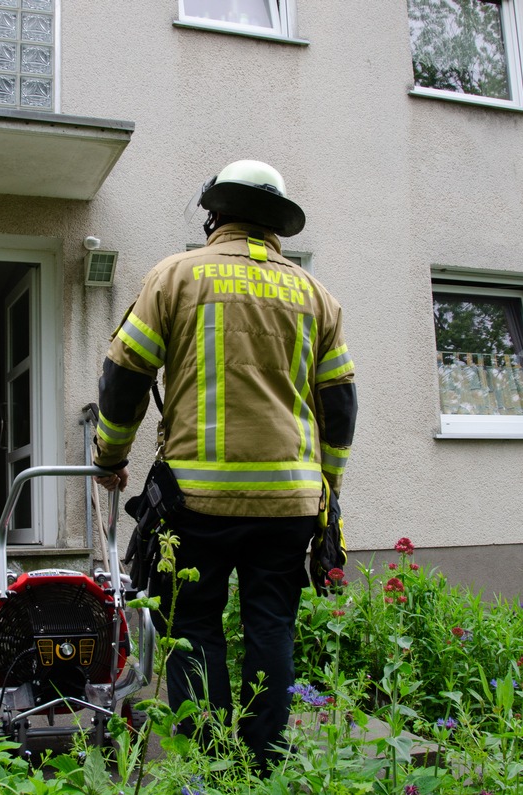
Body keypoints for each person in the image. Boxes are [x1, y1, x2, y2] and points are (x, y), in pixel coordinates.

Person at [92, 159, 357, 770]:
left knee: (195, 626)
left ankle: (211, 767)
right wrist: (328, 485)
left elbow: (125, 376)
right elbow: (339, 404)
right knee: (272, 626)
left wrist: (111, 458)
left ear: (216, 214)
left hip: (196, 502)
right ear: (276, 227)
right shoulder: (316, 296)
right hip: (290, 504)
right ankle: (264, 761)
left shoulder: (175, 277)